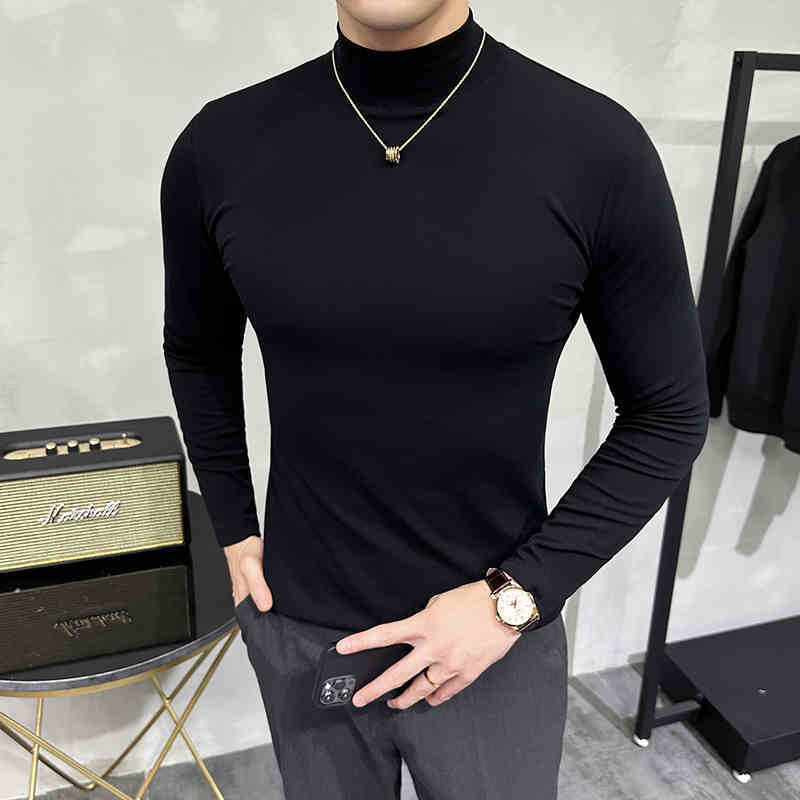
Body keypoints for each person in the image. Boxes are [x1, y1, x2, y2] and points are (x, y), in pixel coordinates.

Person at [160, 2, 710, 798]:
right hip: (303, 626)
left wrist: (511, 602)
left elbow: (669, 413)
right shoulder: (222, 145)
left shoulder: (594, 148)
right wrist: (234, 524)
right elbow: (198, 348)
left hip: (496, 638)